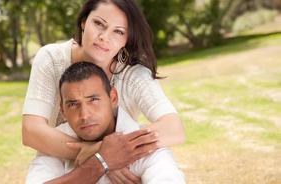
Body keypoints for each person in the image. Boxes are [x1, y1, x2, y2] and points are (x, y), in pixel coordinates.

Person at [22, 0, 185, 182]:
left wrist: (114, 153)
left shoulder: (133, 74)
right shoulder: (51, 59)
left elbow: (173, 128)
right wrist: (100, 156)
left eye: (118, 31)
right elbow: (31, 131)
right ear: (84, 23)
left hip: (120, 163)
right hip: (58, 156)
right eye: (99, 24)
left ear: (126, 40)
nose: (104, 37)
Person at [26, 62, 185, 184]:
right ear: (62, 110)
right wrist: (101, 162)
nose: (85, 115)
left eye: (93, 100)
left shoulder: (147, 147)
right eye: (73, 104)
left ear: (113, 98)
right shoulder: (56, 145)